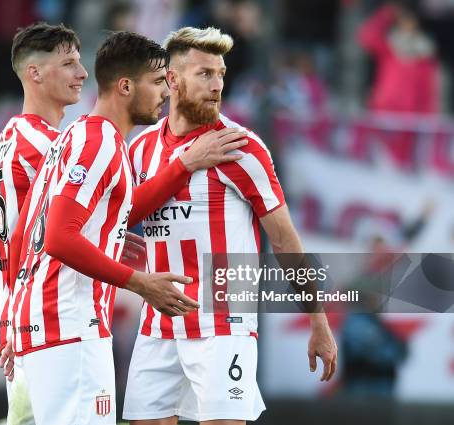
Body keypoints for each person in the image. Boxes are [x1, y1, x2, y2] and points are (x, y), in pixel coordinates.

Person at [3, 30, 249, 425]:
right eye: (156, 83)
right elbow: (58, 237)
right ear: (125, 86)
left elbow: (22, 235)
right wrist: (139, 282)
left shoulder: (74, 136)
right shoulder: (101, 142)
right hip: (71, 330)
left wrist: (14, 318)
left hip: (40, 329)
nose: (164, 94)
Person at [122, 27, 338, 425]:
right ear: (172, 79)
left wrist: (318, 320)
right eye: (204, 73)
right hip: (158, 327)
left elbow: (286, 241)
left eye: (221, 73)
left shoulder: (241, 148)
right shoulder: (140, 148)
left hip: (222, 326)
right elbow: (122, 221)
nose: (217, 84)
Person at [0, 22, 88, 425]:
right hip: (43, 323)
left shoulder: (10, 138)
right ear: (35, 73)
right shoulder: (42, 145)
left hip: (20, 320)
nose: (82, 73)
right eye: (69, 63)